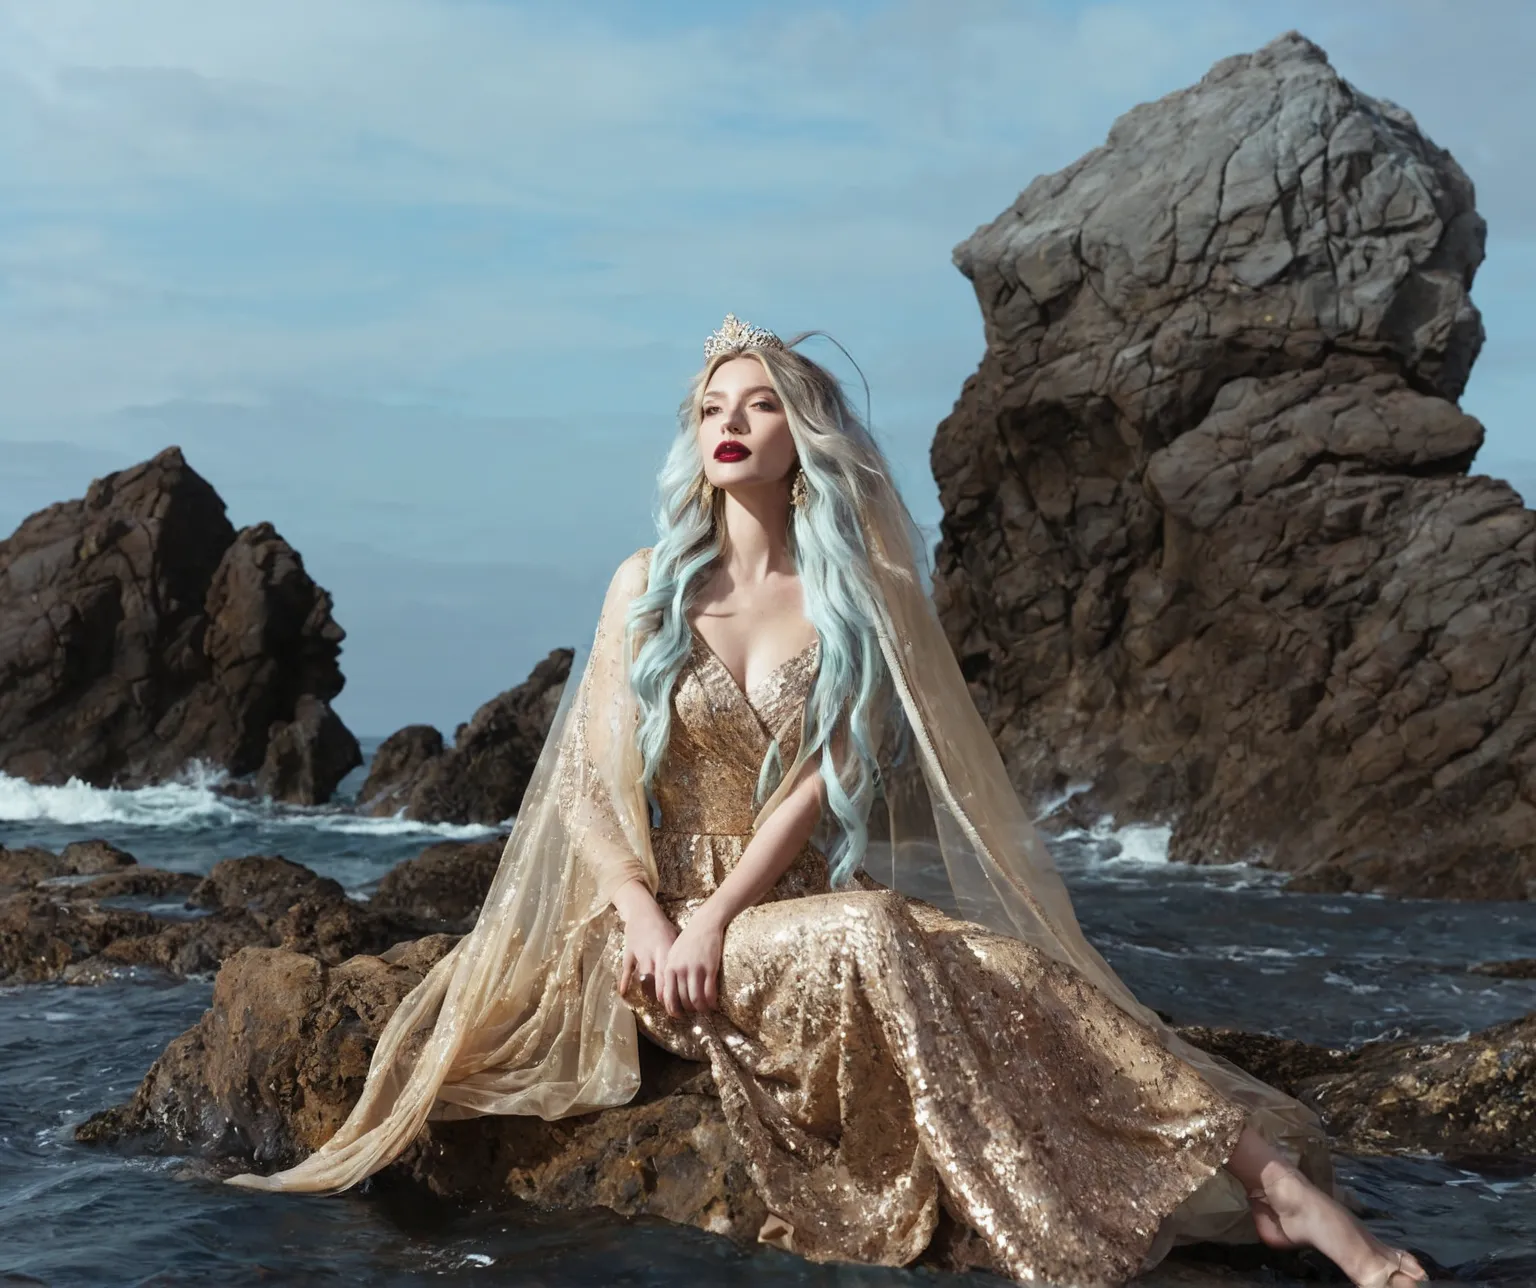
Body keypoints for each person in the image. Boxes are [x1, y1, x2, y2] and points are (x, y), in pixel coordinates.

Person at [226, 315, 1428, 1288]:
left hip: (775, 917)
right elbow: (593, 784)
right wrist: (658, 921)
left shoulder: (861, 589)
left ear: (802, 433)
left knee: (1008, 971)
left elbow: (822, 782)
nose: (730, 424)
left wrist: (722, 918)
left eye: (757, 405)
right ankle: (1233, 1201)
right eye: (711, 407)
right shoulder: (643, 587)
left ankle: (1275, 1184)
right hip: (650, 940)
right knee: (881, 933)